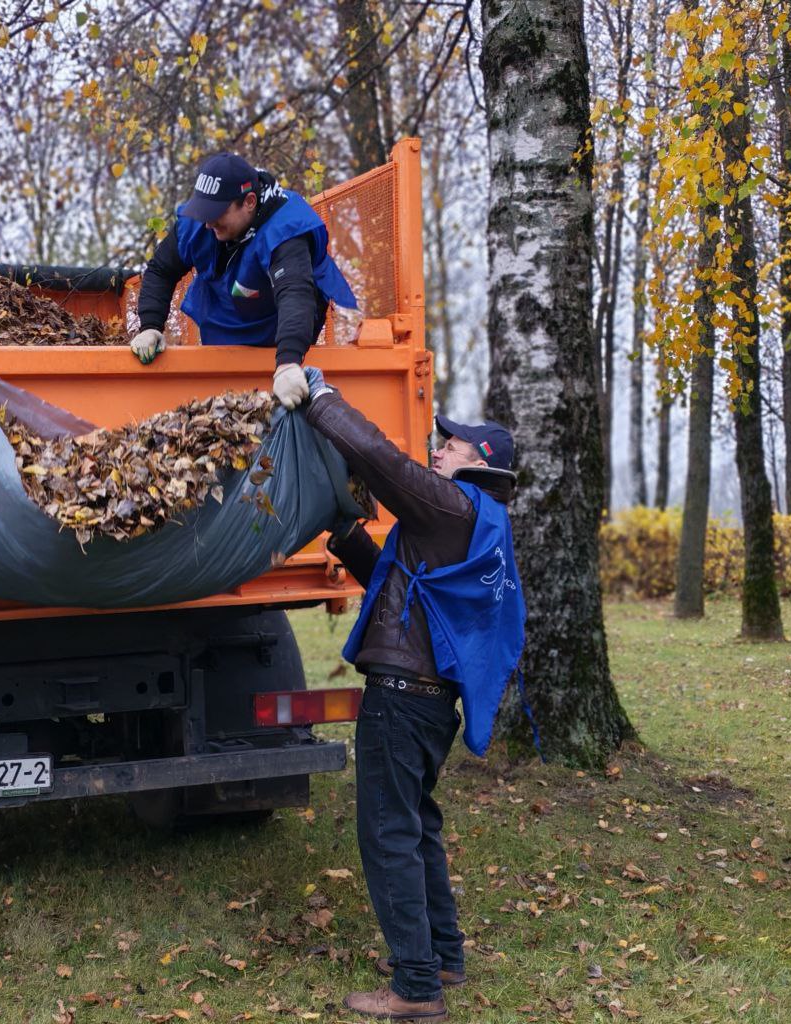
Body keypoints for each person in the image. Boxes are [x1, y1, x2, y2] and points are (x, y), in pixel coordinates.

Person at [302, 367, 526, 1021]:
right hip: (428, 700)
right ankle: (444, 955)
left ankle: (416, 988)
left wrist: (320, 397)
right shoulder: (473, 524)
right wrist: (350, 543)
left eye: (451, 445)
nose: (439, 449)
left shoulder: (450, 503)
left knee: (387, 833)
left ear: (478, 462)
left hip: (402, 700)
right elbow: (414, 597)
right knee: (418, 825)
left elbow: (378, 456)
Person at [130, 152, 358, 409]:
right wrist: (150, 325)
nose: (208, 223)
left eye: (217, 213)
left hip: (278, 328)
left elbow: (295, 293)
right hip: (225, 326)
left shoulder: (286, 229)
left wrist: (288, 362)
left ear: (249, 202)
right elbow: (161, 269)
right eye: (205, 211)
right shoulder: (201, 224)